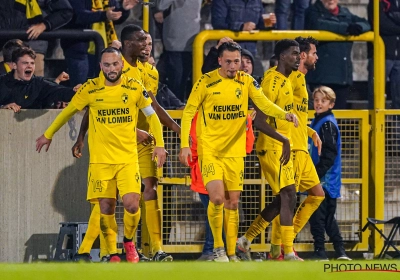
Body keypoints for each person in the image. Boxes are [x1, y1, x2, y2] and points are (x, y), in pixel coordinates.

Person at [36, 47, 167, 263]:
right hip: (100, 162)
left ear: (122, 65)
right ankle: (112, 254)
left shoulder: (134, 86)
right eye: (107, 65)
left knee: (133, 204)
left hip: (127, 159)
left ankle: (128, 241)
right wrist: (48, 134)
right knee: (105, 206)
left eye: (115, 64)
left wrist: (160, 145)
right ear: (100, 66)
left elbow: (152, 117)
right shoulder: (91, 88)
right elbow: (68, 112)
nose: (111, 69)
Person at [179, 41, 298, 262]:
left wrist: (285, 115)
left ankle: (232, 253)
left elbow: (263, 103)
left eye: (237, 61)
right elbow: (188, 113)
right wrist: (185, 144)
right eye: (228, 62)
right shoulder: (206, 81)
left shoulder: (246, 81)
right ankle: (218, 249)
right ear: (219, 61)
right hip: (210, 150)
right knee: (216, 199)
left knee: (232, 203)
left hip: (235, 152)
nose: (234, 66)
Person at [72, 25, 179, 262]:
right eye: (144, 42)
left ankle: (155, 248)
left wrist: (175, 129)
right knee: (106, 198)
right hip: (118, 142)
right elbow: (96, 106)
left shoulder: (150, 71)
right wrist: (81, 137)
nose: (149, 46)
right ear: (128, 44)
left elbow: (154, 108)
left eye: (150, 42)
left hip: (145, 142)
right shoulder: (114, 69)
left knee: (149, 190)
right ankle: (106, 250)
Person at [236, 37, 326, 261]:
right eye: (296, 53)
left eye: (300, 53)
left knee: (291, 197)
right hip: (277, 147)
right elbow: (262, 119)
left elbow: (290, 116)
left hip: (291, 144)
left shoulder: (291, 80)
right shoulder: (274, 81)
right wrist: (285, 139)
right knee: (287, 196)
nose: (301, 57)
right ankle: (285, 250)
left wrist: (308, 131)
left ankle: (248, 240)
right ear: (284, 56)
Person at [308, 86, 351, 261]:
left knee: (319, 218)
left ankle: (321, 252)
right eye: (316, 100)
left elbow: (329, 154)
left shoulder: (326, 124)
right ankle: (339, 251)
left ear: (331, 104)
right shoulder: (319, 121)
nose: (318, 103)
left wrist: (316, 174)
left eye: (323, 101)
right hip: (324, 179)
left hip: (325, 180)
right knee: (326, 218)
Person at [305, 0, 371, 109]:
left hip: (342, 76)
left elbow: (366, 24)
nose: (330, 0)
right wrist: (347, 28)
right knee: (320, 115)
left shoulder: (345, 12)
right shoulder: (313, 11)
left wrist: (358, 27)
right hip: (321, 77)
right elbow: (318, 24)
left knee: (340, 118)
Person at [61, 0, 137, 87]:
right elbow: (77, 16)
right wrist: (104, 15)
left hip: (103, 48)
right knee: (80, 88)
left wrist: (124, 9)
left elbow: (114, 17)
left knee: (101, 87)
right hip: (79, 49)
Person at [0, 47, 74, 112]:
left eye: (32, 63)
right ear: (14, 65)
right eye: (25, 63)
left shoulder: (39, 83)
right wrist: (2, 108)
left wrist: (76, 91)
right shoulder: (2, 82)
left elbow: (59, 91)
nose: (29, 66)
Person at [156, 0, 202, 102]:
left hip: (194, 41)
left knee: (191, 81)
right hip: (175, 42)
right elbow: (161, 5)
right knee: (177, 82)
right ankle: (175, 111)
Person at [211, 0, 276, 56]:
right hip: (228, 54)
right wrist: (240, 26)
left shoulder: (256, 1)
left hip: (251, 54)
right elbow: (218, 23)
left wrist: (269, 22)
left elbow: (259, 23)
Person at [367, 0, 400, 110]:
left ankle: (397, 127)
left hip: (398, 56)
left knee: (398, 98)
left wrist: (392, 18)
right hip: (381, 55)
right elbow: (380, 24)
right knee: (376, 96)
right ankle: (373, 126)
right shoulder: (377, 1)